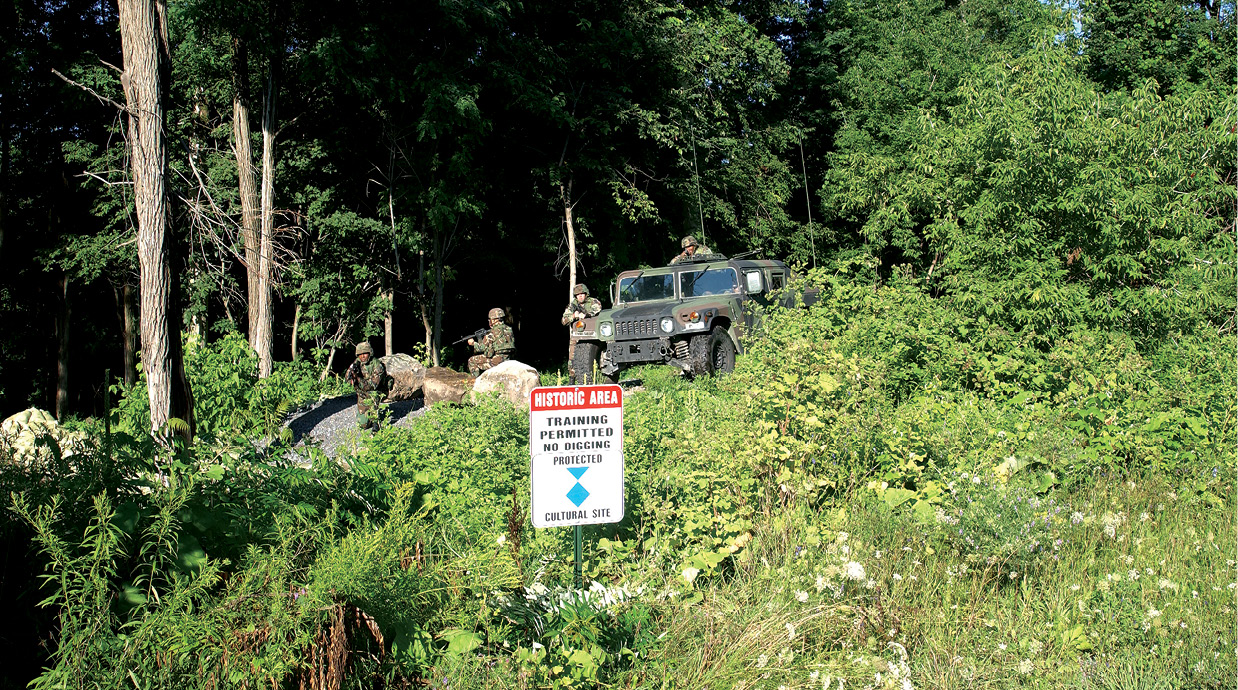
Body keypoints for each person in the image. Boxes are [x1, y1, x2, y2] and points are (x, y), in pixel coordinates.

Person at [562, 283, 603, 377]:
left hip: (593, 334)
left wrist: (586, 315)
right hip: (577, 336)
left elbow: (597, 310)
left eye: (582, 294)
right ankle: (572, 379)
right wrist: (574, 316)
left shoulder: (593, 302)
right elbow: (564, 320)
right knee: (572, 359)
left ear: (586, 294)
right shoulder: (573, 306)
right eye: (577, 295)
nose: (580, 296)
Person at [347, 341, 388, 430]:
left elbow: (373, 386)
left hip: (375, 393)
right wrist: (351, 374)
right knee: (363, 425)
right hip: (362, 394)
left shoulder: (377, 365)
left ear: (370, 353)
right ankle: (369, 415)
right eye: (360, 354)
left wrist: (358, 378)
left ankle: (376, 419)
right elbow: (347, 378)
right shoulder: (357, 363)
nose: (362, 356)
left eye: (365, 353)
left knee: (375, 420)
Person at [467, 307, 516, 376]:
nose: (489, 321)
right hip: (508, 358)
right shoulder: (509, 330)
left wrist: (473, 343)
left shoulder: (491, 333)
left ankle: (476, 382)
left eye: (490, 319)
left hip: (497, 361)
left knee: (472, 361)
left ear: (493, 320)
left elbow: (487, 353)